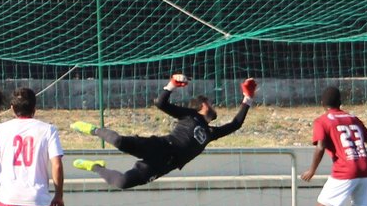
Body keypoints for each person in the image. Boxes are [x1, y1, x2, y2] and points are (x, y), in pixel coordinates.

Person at [71, 74, 256, 189]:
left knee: (122, 183)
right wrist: (172, 85)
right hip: (160, 146)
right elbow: (161, 103)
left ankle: (95, 167)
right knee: (119, 142)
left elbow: (236, 124)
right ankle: (94, 130)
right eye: (210, 102)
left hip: (164, 165)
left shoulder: (211, 133)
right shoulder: (189, 115)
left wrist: (247, 98)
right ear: (203, 105)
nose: (213, 106)